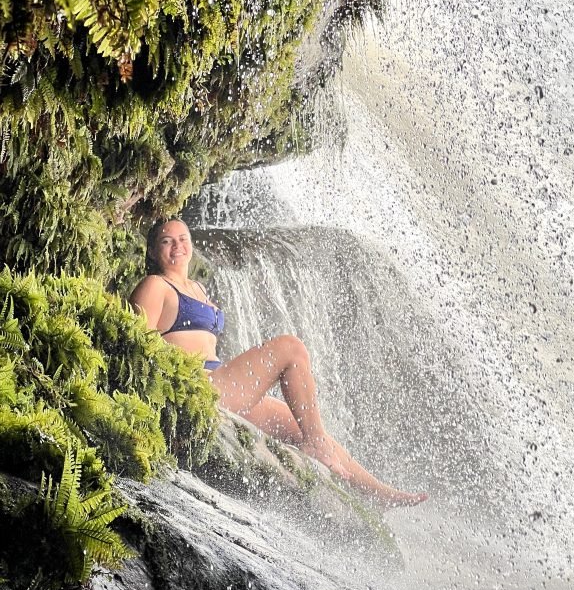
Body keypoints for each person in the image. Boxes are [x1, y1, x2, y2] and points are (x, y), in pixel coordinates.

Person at [130, 217, 427, 507]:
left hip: (217, 383)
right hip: (196, 388)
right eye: (167, 242)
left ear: (191, 245)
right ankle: (317, 448)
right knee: (291, 348)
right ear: (155, 251)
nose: (177, 247)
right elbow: (135, 345)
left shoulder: (197, 287)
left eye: (183, 239)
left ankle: (377, 493)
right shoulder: (155, 286)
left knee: (304, 423)